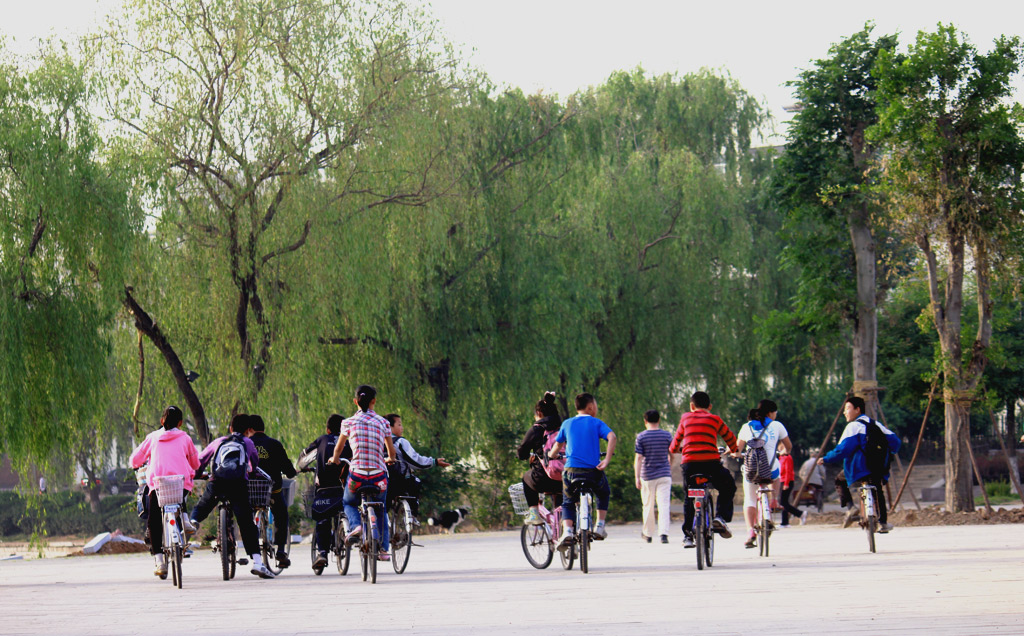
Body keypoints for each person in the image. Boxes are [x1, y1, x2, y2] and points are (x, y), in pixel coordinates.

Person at [189, 414, 274, 578]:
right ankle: (257, 561)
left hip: (217, 481)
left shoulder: (219, 441)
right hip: (238, 484)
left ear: (230, 428)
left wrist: (198, 474)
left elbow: (201, 461)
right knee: (246, 523)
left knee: (203, 505)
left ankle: (193, 522)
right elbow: (254, 463)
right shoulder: (248, 442)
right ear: (248, 430)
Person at [328, 384, 398, 562]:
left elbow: (339, 448)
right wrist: (389, 459)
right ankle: (383, 550)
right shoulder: (383, 422)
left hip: (357, 476)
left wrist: (335, 460)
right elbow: (391, 452)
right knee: (380, 509)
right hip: (378, 476)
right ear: (374, 401)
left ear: (355, 401)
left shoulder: (348, 422)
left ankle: (356, 526)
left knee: (348, 502)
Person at [129, 405, 200, 577]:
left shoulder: (152, 437)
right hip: (180, 485)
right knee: (180, 490)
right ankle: (184, 517)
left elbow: (135, 460)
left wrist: (136, 465)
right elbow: (195, 464)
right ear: (181, 423)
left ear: (162, 421)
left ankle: (159, 561)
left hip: (158, 485)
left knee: (154, 520)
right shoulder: (185, 438)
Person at [819, 396, 901, 533]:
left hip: (858, 468)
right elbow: (896, 443)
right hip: (878, 468)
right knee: (877, 490)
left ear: (857, 410)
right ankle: (883, 522)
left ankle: (851, 507)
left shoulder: (853, 426)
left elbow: (842, 450)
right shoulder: (876, 425)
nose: (845, 412)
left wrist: (826, 458)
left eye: (847, 409)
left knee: (839, 480)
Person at [668, 391, 739, 549]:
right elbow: (731, 439)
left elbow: (673, 447)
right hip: (710, 463)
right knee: (728, 485)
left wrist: (682, 450)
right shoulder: (715, 419)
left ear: (691, 406)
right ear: (710, 406)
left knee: (689, 496)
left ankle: (687, 535)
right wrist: (734, 450)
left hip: (689, 465)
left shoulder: (685, 418)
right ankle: (720, 517)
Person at [550, 393, 617, 549]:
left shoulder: (567, 423)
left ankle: (567, 530)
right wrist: (606, 460)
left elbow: (557, 446)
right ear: (591, 407)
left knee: (568, 501)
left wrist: (551, 455)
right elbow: (612, 437)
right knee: (603, 492)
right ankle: (600, 525)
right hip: (592, 472)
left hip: (571, 471)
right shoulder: (596, 423)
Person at [737, 400, 792, 548]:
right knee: (776, 470)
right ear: (770, 413)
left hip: (751, 470)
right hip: (771, 471)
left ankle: (750, 532)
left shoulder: (746, 427)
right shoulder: (777, 425)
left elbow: (738, 448)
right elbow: (788, 446)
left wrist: (736, 454)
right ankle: (773, 499)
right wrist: (785, 452)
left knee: (749, 499)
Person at [249, 414, 297, 569]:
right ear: (263, 428)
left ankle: (252, 547)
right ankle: (281, 551)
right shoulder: (274, 444)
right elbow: (288, 469)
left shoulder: (245, 444)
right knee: (281, 516)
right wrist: (291, 472)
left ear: (250, 429)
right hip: (272, 492)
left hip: (250, 492)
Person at [305, 414, 350, 570]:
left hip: (324, 489)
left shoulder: (321, 440)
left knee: (322, 519)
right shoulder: (349, 443)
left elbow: (304, 459)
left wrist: (303, 467)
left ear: (328, 429)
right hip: (343, 489)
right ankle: (343, 535)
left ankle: (322, 552)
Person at [386, 413, 450, 522]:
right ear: (390, 427)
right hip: (399, 481)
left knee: (383, 505)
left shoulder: (376, 441)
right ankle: (412, 515)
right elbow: (415, 460)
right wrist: (434, 462)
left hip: (381, 481)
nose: (402, 428)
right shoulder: (400, 442)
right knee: (415, 481)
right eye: (399, 425)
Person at [516, 392, 564, 526]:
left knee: (526, 477)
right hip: (566, 477)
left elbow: (522, 452)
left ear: (539, 413)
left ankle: (534, 514)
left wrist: (524, 456)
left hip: (543, 479)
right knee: (560, 483)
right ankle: (562, 520)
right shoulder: (564, 427)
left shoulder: (537, 429)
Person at [634, 409, 673, 543]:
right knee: (664, 505)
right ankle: (663, 534)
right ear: (659, 420)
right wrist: (669, 466)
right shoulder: (667, 435)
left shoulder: (641, 437)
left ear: (645, 421)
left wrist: (637, 477)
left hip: (647, 475)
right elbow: (672, 454)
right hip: (664, 474)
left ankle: (648, 534)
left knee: (648, 505)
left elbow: (639, 458)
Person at [778, 448, 807, 527]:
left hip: (787, 481)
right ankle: (788, 520)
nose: (780, 450)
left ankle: (796, 516)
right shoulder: (781, 458)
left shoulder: (787, 458)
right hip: (782, 480)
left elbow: (788, 471)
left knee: (783, 502)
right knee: (783, 502)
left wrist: (786, 483)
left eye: (782, 448)